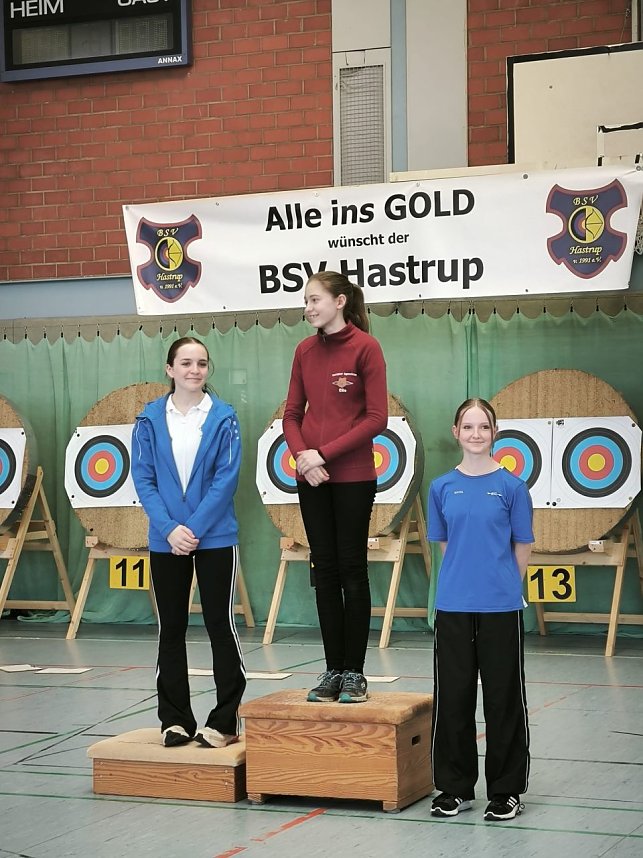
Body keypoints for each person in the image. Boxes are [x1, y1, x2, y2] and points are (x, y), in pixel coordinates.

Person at [131, 336, 246, 748]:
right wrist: (169, 530)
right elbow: (143, 479)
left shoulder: (224, 417)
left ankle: (225, 720)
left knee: (220, 625)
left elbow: (225, 479)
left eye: (201, 363)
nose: (194, 370)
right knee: (171, 628)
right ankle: (175, 720)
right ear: (170, 369)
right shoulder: (148, 420)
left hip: (214, 537)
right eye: (185, 363)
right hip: (167, 540)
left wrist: (192, 529)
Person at [283, 271, 388, 703]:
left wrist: (322, 454)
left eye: (314, 300)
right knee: (322, 569)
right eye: (306, 301)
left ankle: (354, 673)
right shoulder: (304, 350)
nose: (308, 308)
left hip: (353, 478)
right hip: (310, 477)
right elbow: (292, 414)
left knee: (351, 568)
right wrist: (303, 458)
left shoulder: (367, 347)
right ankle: (331, 670)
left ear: (340, 301)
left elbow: (376, 419)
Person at [427, 398, 534, 821]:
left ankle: (506, 790)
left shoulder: (512, 486)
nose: (475, 434)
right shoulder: (440, 487)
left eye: (483, 427)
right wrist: (466, 581)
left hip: (501, 609)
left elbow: (521, 545)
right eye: (468, 426)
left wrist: (505, 585)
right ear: (456, 431)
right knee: (453, 699)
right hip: (453, 606)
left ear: (494, 433)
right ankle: (455, 788)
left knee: (503, 699)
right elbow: (445, 544)